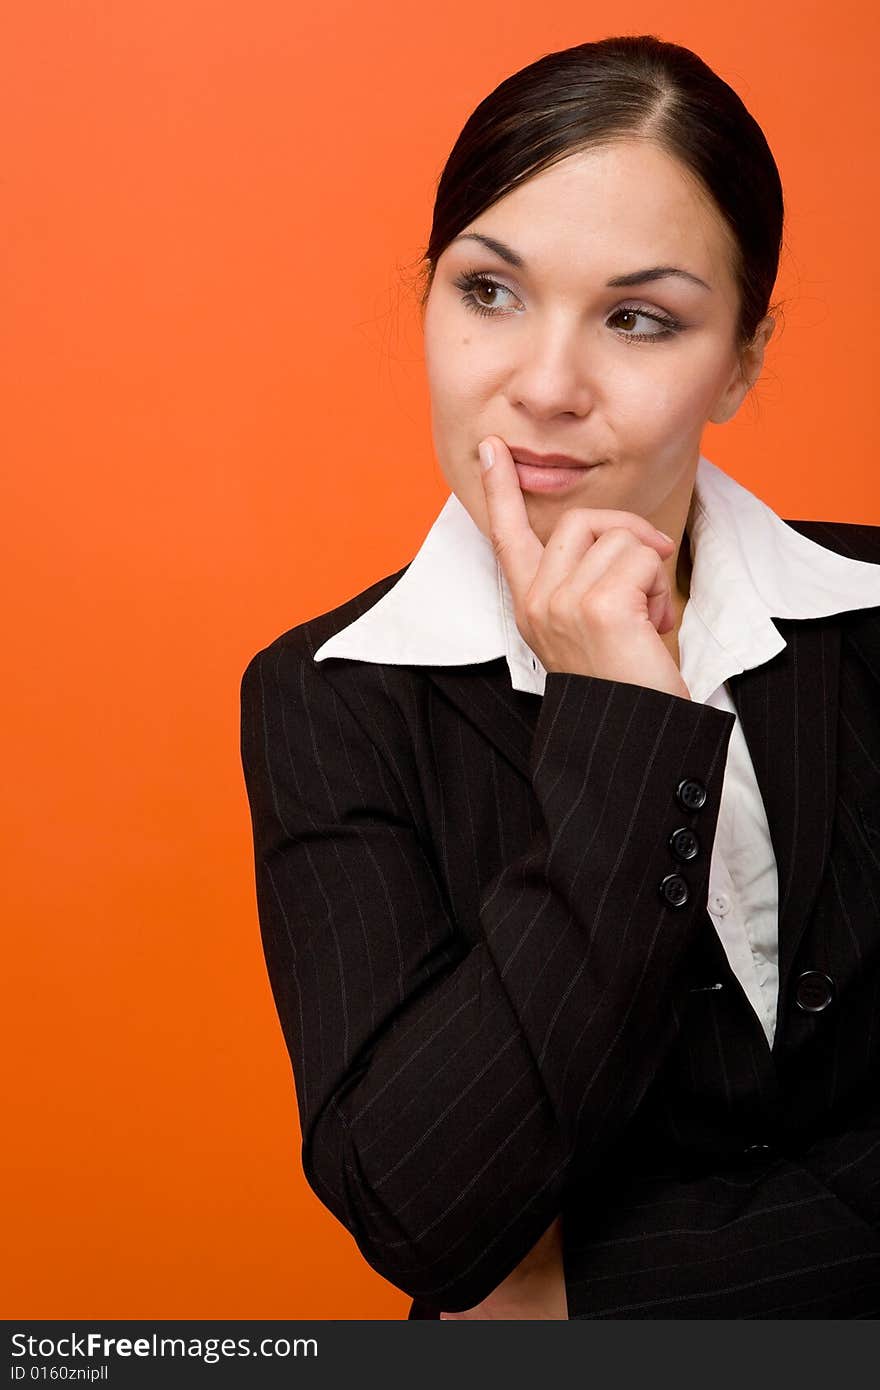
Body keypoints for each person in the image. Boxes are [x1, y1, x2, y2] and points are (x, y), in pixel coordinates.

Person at [239, 34, 880, 1318]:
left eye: (638, 318)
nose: (542, 387)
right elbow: (425, 1215)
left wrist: (587, 1287)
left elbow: (508, 1295)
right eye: (488, 292)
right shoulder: (330, 695)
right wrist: (626, 722)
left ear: (743, 357)